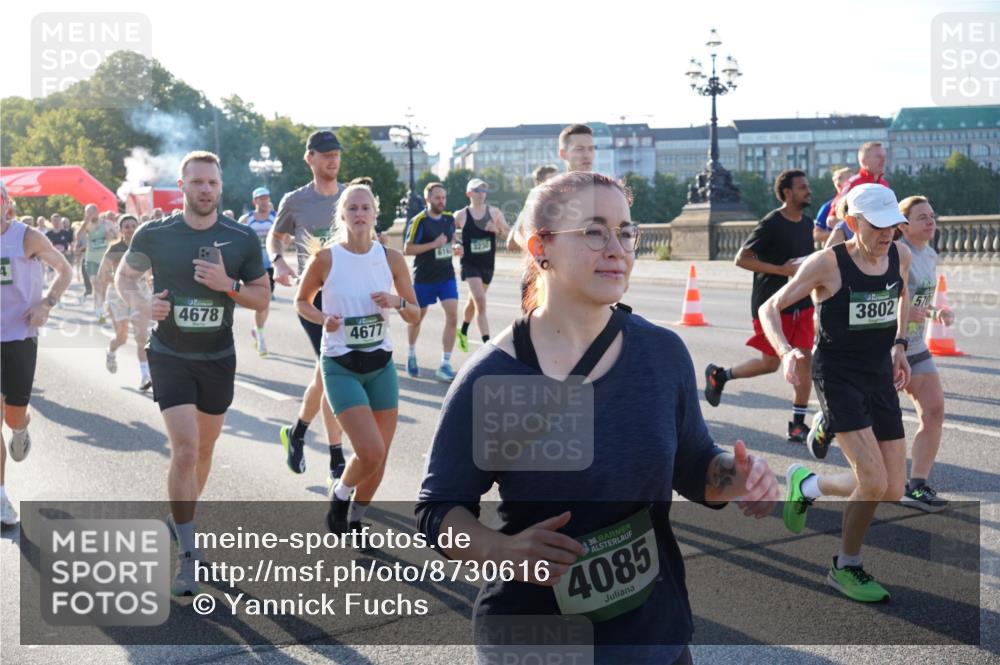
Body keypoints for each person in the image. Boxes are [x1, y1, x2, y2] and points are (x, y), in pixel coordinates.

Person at [416, 172, 779, 663]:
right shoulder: (494, 377)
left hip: (655, 638)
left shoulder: (662, 352)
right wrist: (499, 551)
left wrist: (737, 477)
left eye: (625, 231)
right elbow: (438, 511)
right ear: (540, 246)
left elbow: (693, 465)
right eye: (593, 231)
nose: (617, 247)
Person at [116, 151, 270, 595]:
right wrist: (144, 304)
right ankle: (188, 554)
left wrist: (229, 287)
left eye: (213, 183)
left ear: (220, 189)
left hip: (218, 356)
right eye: (197, 182)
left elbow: (260, 298)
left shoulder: (240, 238)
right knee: (184, 450)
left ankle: (182, 515)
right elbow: (125, 280)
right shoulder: (156, 233)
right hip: (170, 353)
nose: (206, 189)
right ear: (181, 186)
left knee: (204, 450)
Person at [767, 183, 911, 603]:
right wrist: (788, 350)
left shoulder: (898, 254)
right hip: (838, 374)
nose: (888, 234)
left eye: (893, 226)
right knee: (872, 480)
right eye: (878, 226)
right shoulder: (826, 264)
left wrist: (900, 345)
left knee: (892, 487)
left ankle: (807, 485)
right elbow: (770, 307)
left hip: (879, 372)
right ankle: (845, 566)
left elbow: (903, 293)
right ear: (852, 223)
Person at [294, 184, 419, 534]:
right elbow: (302, 301)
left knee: (380, 459)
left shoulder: (391, 259)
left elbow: (415, 314)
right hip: (341, 365)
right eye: (352, 208)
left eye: (366, 207)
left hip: (380, 364)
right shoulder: (327, 259)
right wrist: (324, 319)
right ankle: (340, 493)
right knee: (370, 451)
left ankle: (355, 519)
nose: (360, 214)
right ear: (343, 215)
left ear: (375, 214)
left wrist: (397, 303)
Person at [705, 169, 816, 444]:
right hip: (772, 305)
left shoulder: (807, 223)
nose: (808, 190)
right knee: (770, 364)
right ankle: (720, 375)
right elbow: (741, 259)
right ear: (788, 193)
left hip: (802, 303)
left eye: (807, 186)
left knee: (804, 359)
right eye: (802, 187)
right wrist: (779, 269)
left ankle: (797, 425)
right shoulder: (771, 223)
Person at [266, 130, 348, 484]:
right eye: (325, 154)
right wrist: (278, 262)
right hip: (313, 299)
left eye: (336, 154)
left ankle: (297, 434)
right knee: (332, 373)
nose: (332, 159)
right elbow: (275, 235)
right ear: (310, 158)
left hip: (349, 299)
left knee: (323, 372)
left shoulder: (351, 197)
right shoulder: (296, 200)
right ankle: (336, 461)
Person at [1, 182, 74, 526]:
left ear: (7, 206)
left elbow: (65, 270)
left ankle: (20, 428)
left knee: (13, 416)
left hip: (18, 336)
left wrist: (47, 304)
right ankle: (2, 497)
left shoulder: (25, 237)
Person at [897, 195, 951, 512]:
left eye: (932, 215)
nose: (931, 221)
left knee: (934, 411)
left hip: (916, 346)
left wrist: (934, 314)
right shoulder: (896, 253)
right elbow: (882, 301)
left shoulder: (929, 254)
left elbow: (917, 304)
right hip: (888, 348)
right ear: (903, 225)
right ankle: (830, 418)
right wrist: (904, 317)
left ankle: (916, 486)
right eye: (922, 217)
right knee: (870, 422)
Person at [403, 182, 462, 382]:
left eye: (443, 197)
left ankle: (445, 363)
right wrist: (433, 245)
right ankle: (411, 353)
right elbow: (407, 249)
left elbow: (452, 239)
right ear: (428, 199)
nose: (441, 201)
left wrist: (456, 247)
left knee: (453, 316)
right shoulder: (419, 221)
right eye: (437, 197)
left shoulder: (448, 219)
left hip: (446, 275)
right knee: (417, 318)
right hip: (424, 278)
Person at [97, 214, 152, 391]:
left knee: (141, 336)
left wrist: (151, 279)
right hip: (118, 293)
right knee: (122, 336)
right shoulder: (115, 249)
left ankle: (145, 376)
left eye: (133, 225)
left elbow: (152, 269)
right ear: (121, 230)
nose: (130, 229)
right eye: (126, 226)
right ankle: (111, 352)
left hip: (140, 292)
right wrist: (118, 280)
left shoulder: (145, 246)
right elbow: (102, 274)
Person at [455, 178, 509, 353]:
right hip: (470, 263)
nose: (481, 193)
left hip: (487, 263)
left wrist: (497, 230)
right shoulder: (461, 215)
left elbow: (509, 235)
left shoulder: (494, 213)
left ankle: (462, 330)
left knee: (473, 301)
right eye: (477, 190)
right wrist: (456, 245)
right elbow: (447, 233)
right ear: (469, 193)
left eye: (484, 190)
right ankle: (487, 346)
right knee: (480, 301)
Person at [825, 142, 890, 247]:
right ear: (864, 161)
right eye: (878, 157)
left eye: (884, 157)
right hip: (857, 248)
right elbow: (832, 219)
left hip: (880, 245)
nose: (883, 161)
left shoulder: (885, 185)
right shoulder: (852, 184)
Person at [239, 186, 277, 356]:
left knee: (265, 301)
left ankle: (258, 329)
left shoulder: (275, 218)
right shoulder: (246, 220)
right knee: (261, 300)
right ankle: (261, 336)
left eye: (266, 198)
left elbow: (283, 237)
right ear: (255, 201)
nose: (264, 201)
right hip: (253, 266)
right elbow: (236, 240)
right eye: (261, 198)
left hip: (270, 265)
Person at [75, 203, 116, 322]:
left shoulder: (107, 224)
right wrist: (84, 223)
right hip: (91, 259)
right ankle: (99, 313)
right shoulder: (86, 225)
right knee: (96, 286)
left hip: (105, 259)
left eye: (93, 212)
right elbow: (78, 237)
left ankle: (100, 306)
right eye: (88, 212)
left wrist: (111, 236)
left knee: (104, 287)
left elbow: (116, 236)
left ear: (97, 212)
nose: (91, 214)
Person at [813, 167, 853, 244]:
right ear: (837, 183)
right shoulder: (828, 207)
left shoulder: (860, 205)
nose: (854, 183)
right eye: (850, 180)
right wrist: (841, 232)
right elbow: (816, 235)